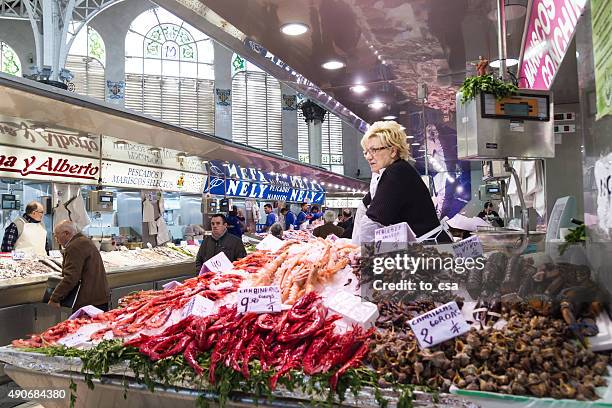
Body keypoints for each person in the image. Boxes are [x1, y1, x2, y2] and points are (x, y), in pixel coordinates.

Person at [358, 121, 450, 243]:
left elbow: (372, 222)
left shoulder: (397, 172)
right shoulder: (395, 171)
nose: (369, 157)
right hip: (427, 247)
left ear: (393, 151)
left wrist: (358, 253)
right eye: (366, 152)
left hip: (431, 251)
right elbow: (365, 207)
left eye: (374, 150)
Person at [48, 220, 109, 312]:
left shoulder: (74, 247)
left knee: (85, 326)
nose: (56, 240)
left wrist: (55, 298)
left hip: (88, 302)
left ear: (66, 233)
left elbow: (71, 277)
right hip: (99, 298)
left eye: (57, 236)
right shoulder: (83, 241)